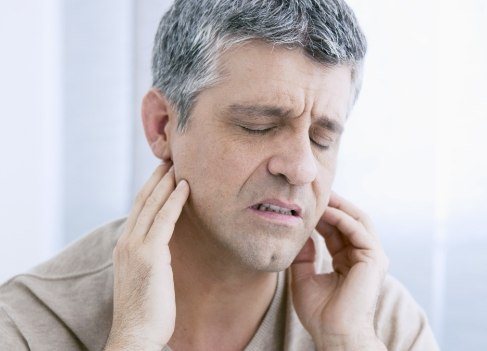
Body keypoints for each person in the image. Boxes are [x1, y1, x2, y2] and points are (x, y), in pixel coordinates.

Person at [0, 0, 439, 350]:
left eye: (323, 138)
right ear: (162, 126)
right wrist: (134, 342)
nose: (303, 168)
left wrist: (348, 343)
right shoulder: (25, 327)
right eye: (258, 126)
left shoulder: (378, 322)